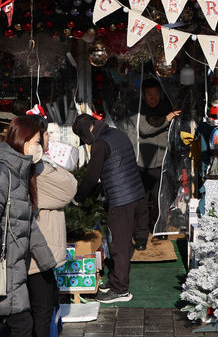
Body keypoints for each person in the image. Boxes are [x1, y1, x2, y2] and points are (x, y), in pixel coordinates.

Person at [0, 117, 57, 337]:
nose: (40, 147)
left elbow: (25, 222)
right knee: (22, 324)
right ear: (24, 141)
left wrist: (46, 261)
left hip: (11, 264)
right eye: (37, 141)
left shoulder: (18, 172)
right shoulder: (1, 172)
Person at [72, 114, 146, 303]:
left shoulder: (100, 144)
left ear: (86, 133)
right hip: (136, 193)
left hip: (121, 200)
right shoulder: (117, 134)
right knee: (124, 244)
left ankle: (121, 290)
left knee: (118, 246)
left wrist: (77, 199)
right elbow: (118, 165)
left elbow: (91, 176)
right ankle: (115, 281)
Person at [26, 115, 77, 337]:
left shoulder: (39, 166)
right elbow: (69, 188)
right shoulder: (38, 170)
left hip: (39, 247)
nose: (48, 138)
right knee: (42, 307)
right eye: (44, 134)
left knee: (41, 304)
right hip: (40, 249)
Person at [136, 78, 180, 243]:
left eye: (155, 94)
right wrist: (167, 118)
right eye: (149, 94)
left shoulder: (166, 107)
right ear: (143, 95)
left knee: (160, 199)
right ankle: (141, 234)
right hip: (142, 163)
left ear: (160, 94)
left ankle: (159, 229)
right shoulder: (139, 111)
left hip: (161, 163)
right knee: (141, 201)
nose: (153, 98)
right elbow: (145, 129)